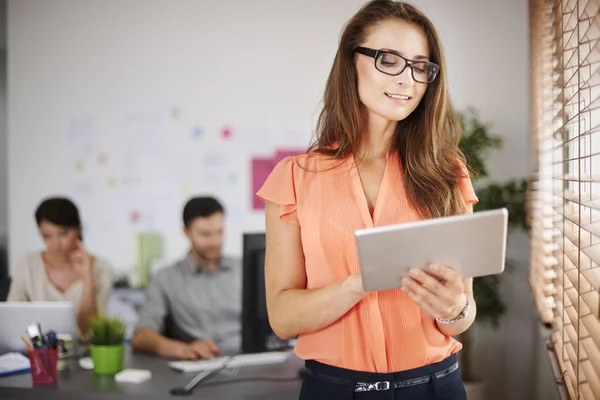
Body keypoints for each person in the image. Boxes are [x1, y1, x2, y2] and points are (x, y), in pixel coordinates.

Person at [256, 1, 479, 399]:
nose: (406, 80)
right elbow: (283, 318)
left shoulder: (447, 171)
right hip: (335, 390)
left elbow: (462, 317)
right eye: (389, 60)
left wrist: (454, 307)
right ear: (351, 62)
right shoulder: (294, 178)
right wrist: (360, 284)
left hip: (434, 387)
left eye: (419, 66)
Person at [131, 196, 241, 360]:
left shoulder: (244, 269)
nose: (214, 241)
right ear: (186, 232)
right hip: (200, 364)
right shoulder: (166, 279)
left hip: (250, 359)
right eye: (205, 234)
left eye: (219, 232)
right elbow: (141, 336)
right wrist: (182, 349)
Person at [8, 197, 114, 337]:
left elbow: (88, 331)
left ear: (79, 229)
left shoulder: (102, 269)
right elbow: (11, 319)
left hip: (84, 356)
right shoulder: (27, 264)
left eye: (63, 234)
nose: (56, 244)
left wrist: (87, 279)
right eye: (47, 236)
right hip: (37, 354)